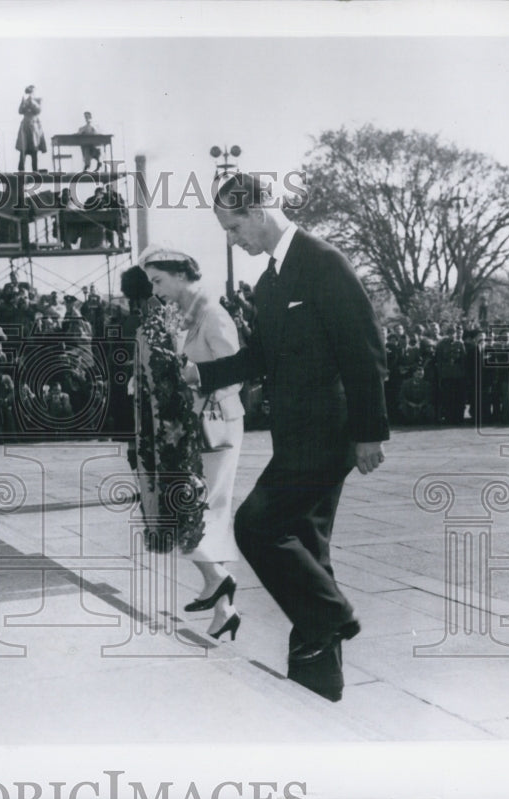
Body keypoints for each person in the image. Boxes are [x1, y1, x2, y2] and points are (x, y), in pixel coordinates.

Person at [184, 173, 389, 702]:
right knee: (307, 546)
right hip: (296, 436)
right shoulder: (273, 280)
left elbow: (364, 349)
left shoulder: (322, 261)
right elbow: (262, 357)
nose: (233, 240)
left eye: (233, 227)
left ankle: (333, 615)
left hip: (330, 433)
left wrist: (370, 434)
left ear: (257, 211)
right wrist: (198, 376)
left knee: (256, 525)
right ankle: (319, 674)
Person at [140, 250, 245, 643]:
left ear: (182, 274)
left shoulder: (213, 314)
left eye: (159, 281)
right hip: (189, 430)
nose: (156, 290)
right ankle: (223, 607)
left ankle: (219, 580)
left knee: (194, 512)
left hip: (215, 428)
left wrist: (190, 380)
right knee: (196, 513)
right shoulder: (178, 317)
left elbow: (236, 375)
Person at [16, 85, 46, 172]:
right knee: (23, 150)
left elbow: (38, 110)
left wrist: (31, 101)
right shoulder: (24, 100)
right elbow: (20, 111)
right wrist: (23, 102)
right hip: (25, 127)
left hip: (34, 127)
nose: (29, 94)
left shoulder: (38, 100)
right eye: (28, 92)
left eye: (31, 92)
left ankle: (35, 172)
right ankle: (21, 172)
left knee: (34, 151)